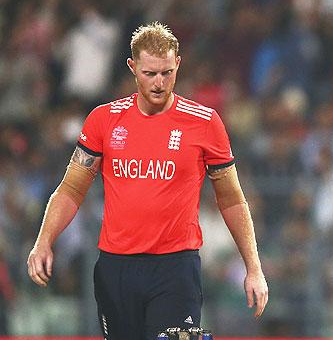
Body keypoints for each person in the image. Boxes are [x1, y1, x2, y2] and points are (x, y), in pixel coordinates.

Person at [27, 22, 268, 339]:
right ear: (132, 67)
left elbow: (232, 199)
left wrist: (253, 267)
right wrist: (44, 242)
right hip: (116, 269)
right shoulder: (104, 120)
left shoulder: (205, 123)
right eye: (150, 73)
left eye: (167, 73)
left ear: (178, 64)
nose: (159, 83)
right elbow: (71, 188)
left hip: (175, 270)